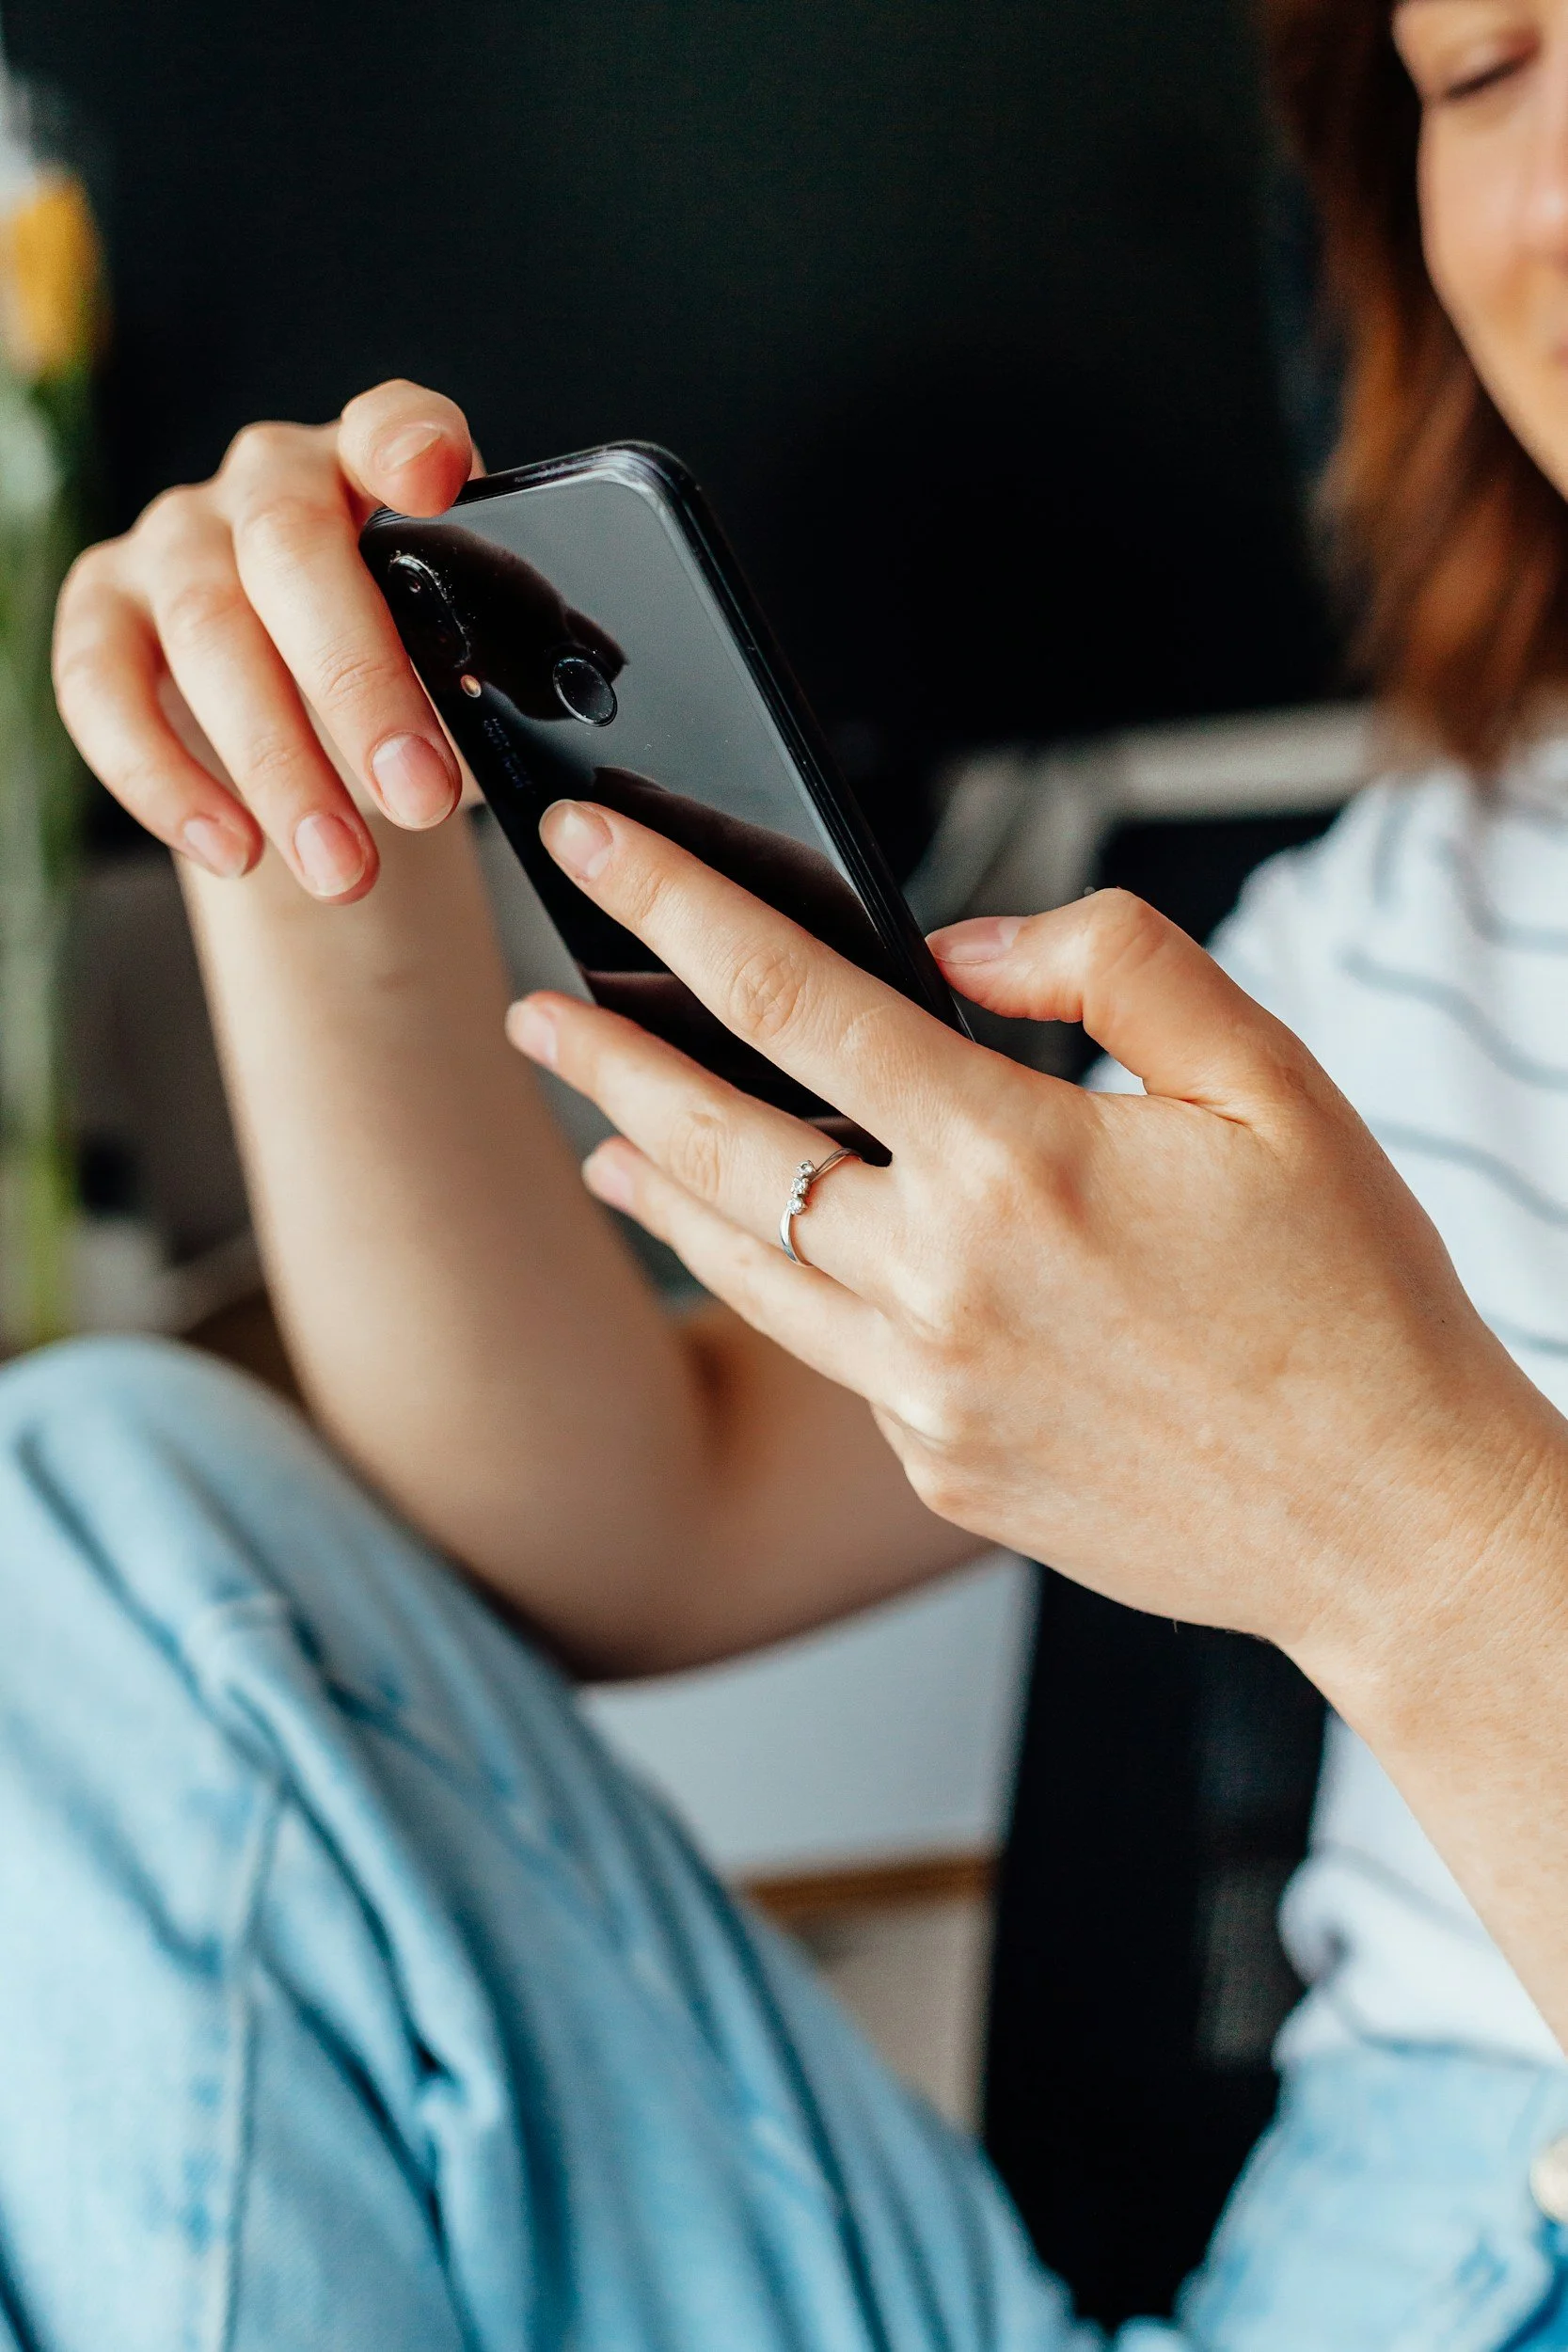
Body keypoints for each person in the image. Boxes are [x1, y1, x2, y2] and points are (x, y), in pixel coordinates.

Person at [22, 0, 1568, 2339]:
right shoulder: (1410, 923)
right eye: (1481, 73)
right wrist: (293, 800)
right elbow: (630, 1520)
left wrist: (1416, 1541)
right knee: (84, 1506)